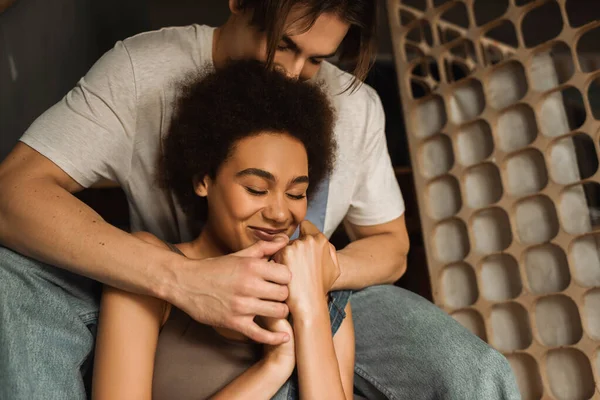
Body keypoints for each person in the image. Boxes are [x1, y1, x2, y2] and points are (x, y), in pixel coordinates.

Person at [0, 0, 519, 399]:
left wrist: (316, 282)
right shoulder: (142, 70)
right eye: (284, 45)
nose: (293, 74)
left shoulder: (356, 107)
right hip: (164, 280)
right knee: (10, 277)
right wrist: (180, 279)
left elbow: (391, 246)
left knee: (476, 374)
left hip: (314, 294)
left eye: (318, 58)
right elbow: (13, 193)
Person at [92, 60, 354, 399]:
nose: (279, 213)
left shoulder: (323, 291)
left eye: (296, 194)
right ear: (204, 179)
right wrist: (273, 366)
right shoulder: (146, 272)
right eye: (257, 189)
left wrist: (310, 309)